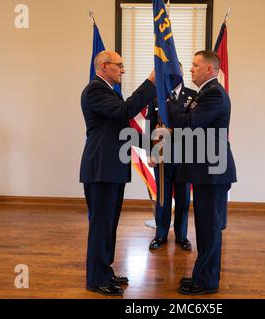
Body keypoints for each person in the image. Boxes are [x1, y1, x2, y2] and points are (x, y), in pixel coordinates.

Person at [80, 50, 156, 296]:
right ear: (104, 66)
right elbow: (125, 111)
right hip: (101, 168)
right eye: (119, 65)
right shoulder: (95, 90)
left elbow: (123, 130)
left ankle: (104, 270)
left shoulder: (109, 92)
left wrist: (151, 150)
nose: (123, 70)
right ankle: (96, 279)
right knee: (101, 225)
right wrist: (151, 83)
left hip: (112, 168)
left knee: (109, 224)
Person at [168, 51, 237, 295]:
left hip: (212, 172)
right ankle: (202, 275)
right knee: (206, 228)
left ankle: (207, 282)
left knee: (209, 229)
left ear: (209, 69)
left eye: (195, 66)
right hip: (205, 171)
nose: (191, 70)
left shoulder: (214, 94)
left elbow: (188, 124)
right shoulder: (204, 94)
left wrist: (168, 102)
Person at [148, 63, 197, 251]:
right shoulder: (156, 97)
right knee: (162, 197)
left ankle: (181, 235)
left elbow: (194, 126)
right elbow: (149, 126)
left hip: (184, 155)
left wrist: (171, 131)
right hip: (161, 155)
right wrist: (150, 152)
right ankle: (160, 234)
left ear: (181, 74)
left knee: (183, 197)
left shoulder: (193, 96)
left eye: (175, 72)